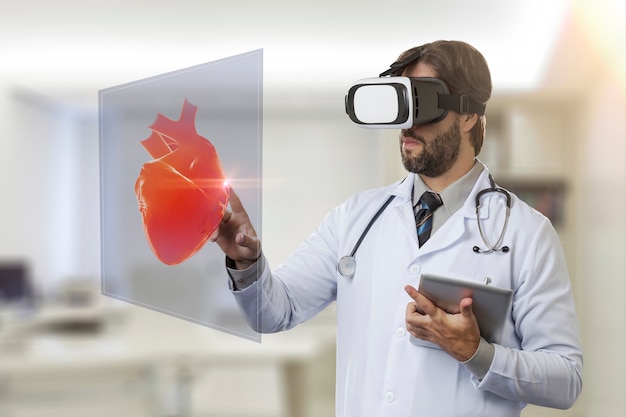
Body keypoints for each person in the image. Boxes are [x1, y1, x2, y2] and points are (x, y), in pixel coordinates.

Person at [210, 40, 583, 417]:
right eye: (401, 103)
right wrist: (247, 261)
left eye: (423, 103)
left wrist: (476, 352)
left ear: (468, 115)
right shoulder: (355, 218)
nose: (408, 123)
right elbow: (276, 312)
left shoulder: (526, 233)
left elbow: (565, 379)